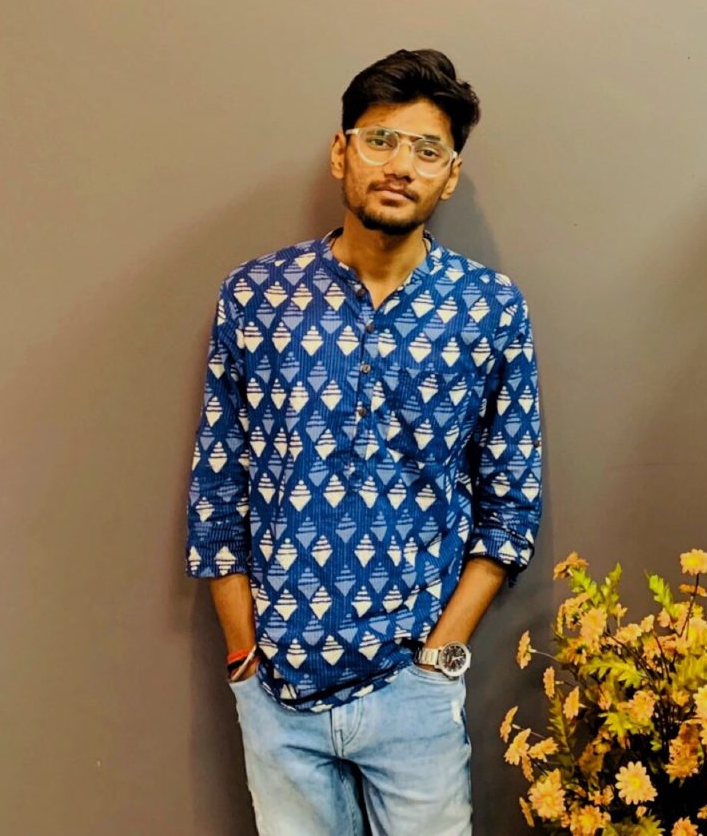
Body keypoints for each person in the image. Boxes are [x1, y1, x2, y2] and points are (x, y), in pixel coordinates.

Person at [184, 48, 543, 835]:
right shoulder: (256, 297)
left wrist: (440, 658)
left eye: (427, 150)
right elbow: (218, 491)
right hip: (279, 688)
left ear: (450, 175)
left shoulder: (489, 309)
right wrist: (244, 656)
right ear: (341, 152)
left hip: (413, 687)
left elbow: (512, 503)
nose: (401, 165)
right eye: (380, 139)